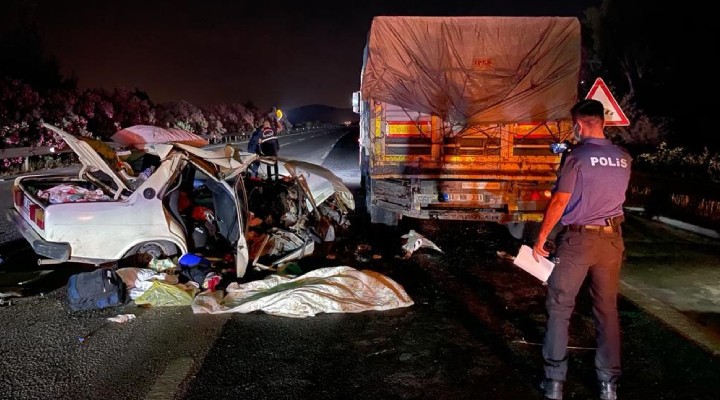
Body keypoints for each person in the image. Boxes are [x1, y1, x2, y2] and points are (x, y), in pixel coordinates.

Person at [532, 99, 632, 400]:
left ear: (578, 124)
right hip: (612, 241)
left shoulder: (577, 157)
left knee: (560, 308)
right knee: (606, 311)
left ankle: (554, 382)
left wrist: (541, 238)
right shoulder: (624, 158)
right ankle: (608, 385)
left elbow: (560, 201)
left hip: (578, 242)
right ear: (603, 121)